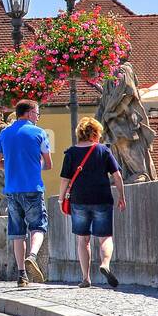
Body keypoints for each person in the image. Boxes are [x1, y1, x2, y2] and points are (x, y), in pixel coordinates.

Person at [0, 99, 53, 287]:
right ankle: (32, 256)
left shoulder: (5, 134)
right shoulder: (39, 133)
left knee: (17, 233)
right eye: (37, 113)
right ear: (29, 113)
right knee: (38, 227)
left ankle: (22, 275)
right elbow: (48, 164)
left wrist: (8, 167)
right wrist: (34, 165)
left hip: (12, 191)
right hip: (33, 188)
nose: (38, 117)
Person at [59, 116, 126, 289]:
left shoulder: (71, 153)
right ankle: (105, 264)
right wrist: (121, 196)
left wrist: (61, 199)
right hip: (102, 198)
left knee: (83, 240)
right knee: (105, 237)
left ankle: (86, 278)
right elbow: (117, 176)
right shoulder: (104, 151)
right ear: (95, 133)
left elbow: (65, 180)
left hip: (79, 200)